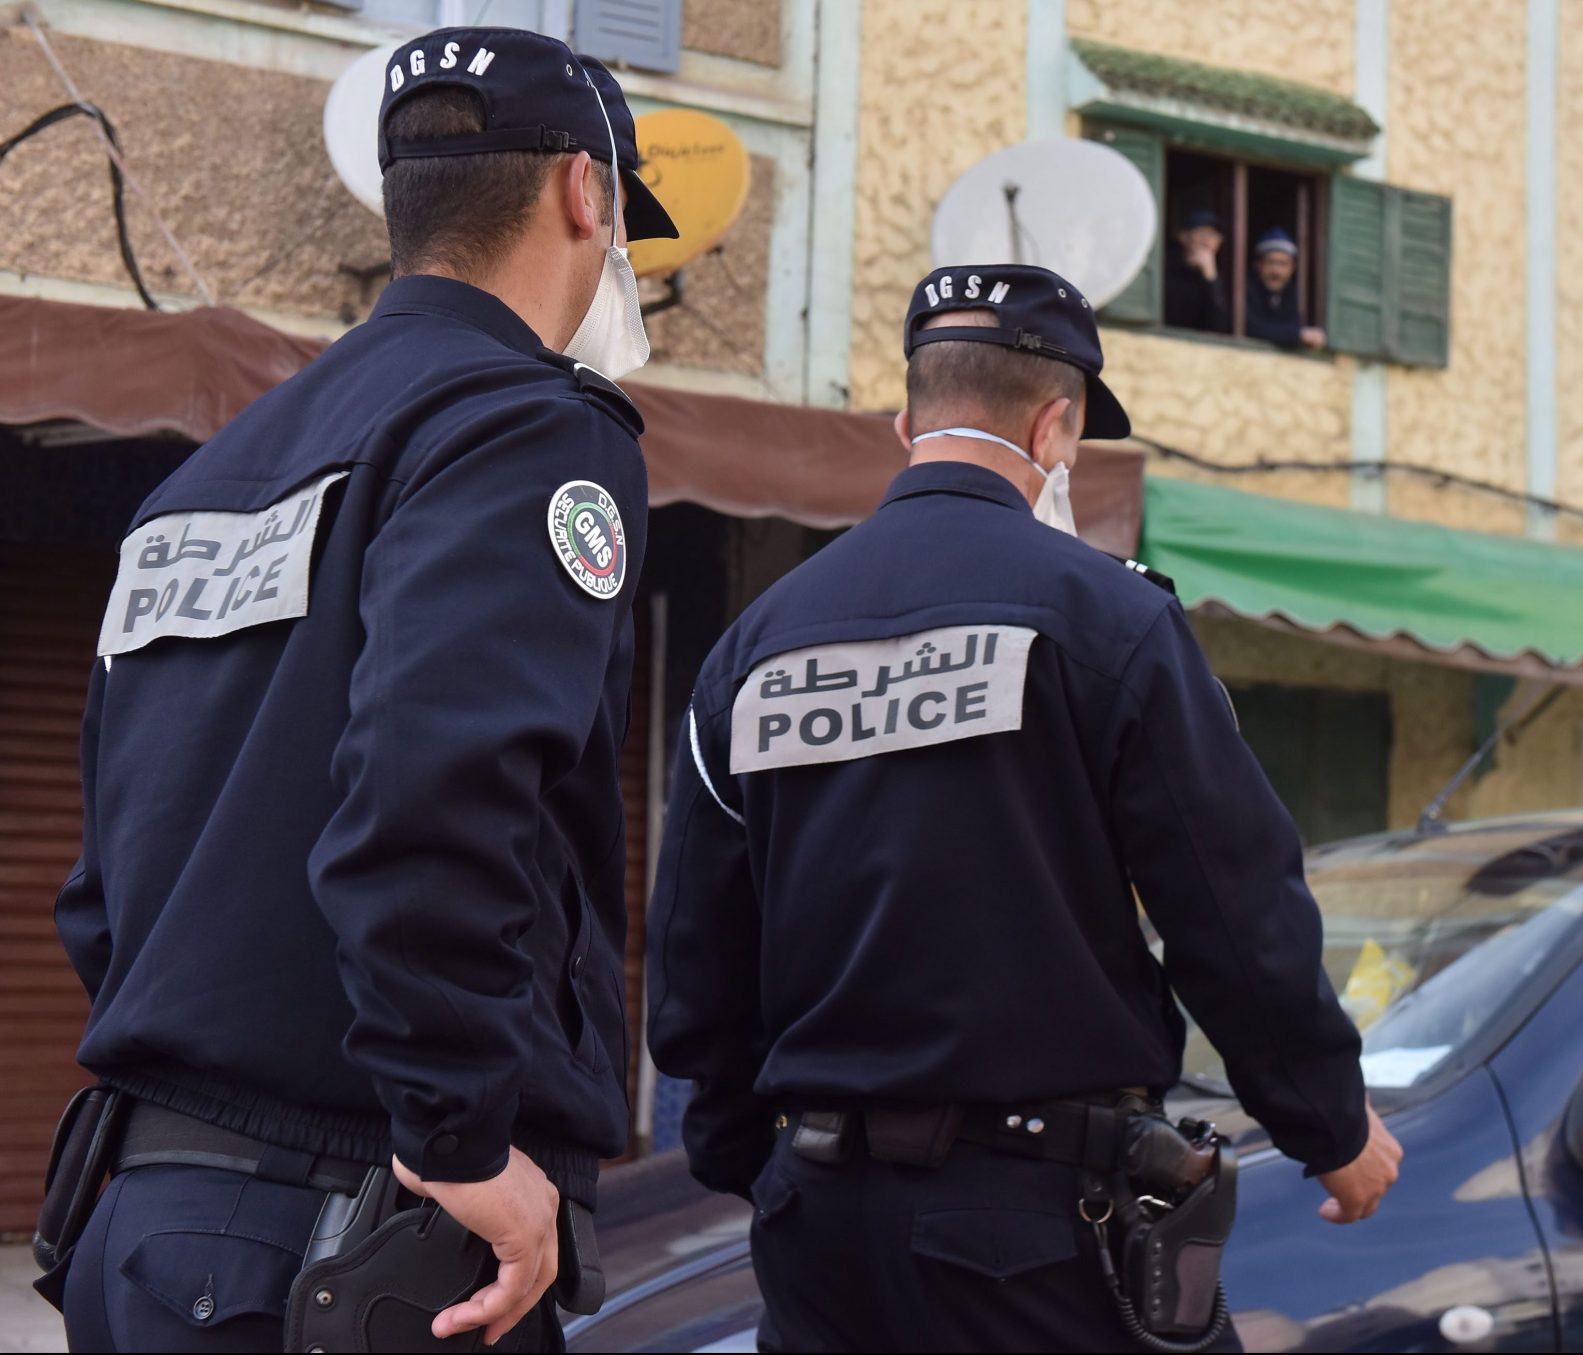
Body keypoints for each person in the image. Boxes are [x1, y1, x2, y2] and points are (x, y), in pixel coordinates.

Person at [44, 27, 672, 1352]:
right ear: (586, 192)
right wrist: (458, 1129)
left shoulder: (207, 476)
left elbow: (106, 878)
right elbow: (431, 793)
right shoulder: (525, 426)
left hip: (143, 1227)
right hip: (352, 1245)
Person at [647, 263, 1402, 1353]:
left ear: (907, 422)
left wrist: (752, 1159)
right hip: (1035, 1232)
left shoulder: (755, 645)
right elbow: (1233, 909)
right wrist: (1327, 1123)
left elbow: (696, 951)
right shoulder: (1109, 623)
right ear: (1056, 429)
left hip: (818, 1231)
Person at [1243, 227, 1326, 351]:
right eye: (1270, 262)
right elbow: (1250, 327)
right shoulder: (1245, 290)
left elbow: (1294, 325)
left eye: (1283, 264)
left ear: (1292, 268)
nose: (1276, 271)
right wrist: (1299, 335)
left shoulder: (1291, 294)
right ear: (1258, 265)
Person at [1164, 207, 1231, 333]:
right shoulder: (1165, 268)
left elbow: (1219, 329)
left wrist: (1210, 278)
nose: (1207, 241)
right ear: (1183, 237)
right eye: (1202, 233)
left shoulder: (1221, 278)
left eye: (1213, 235)